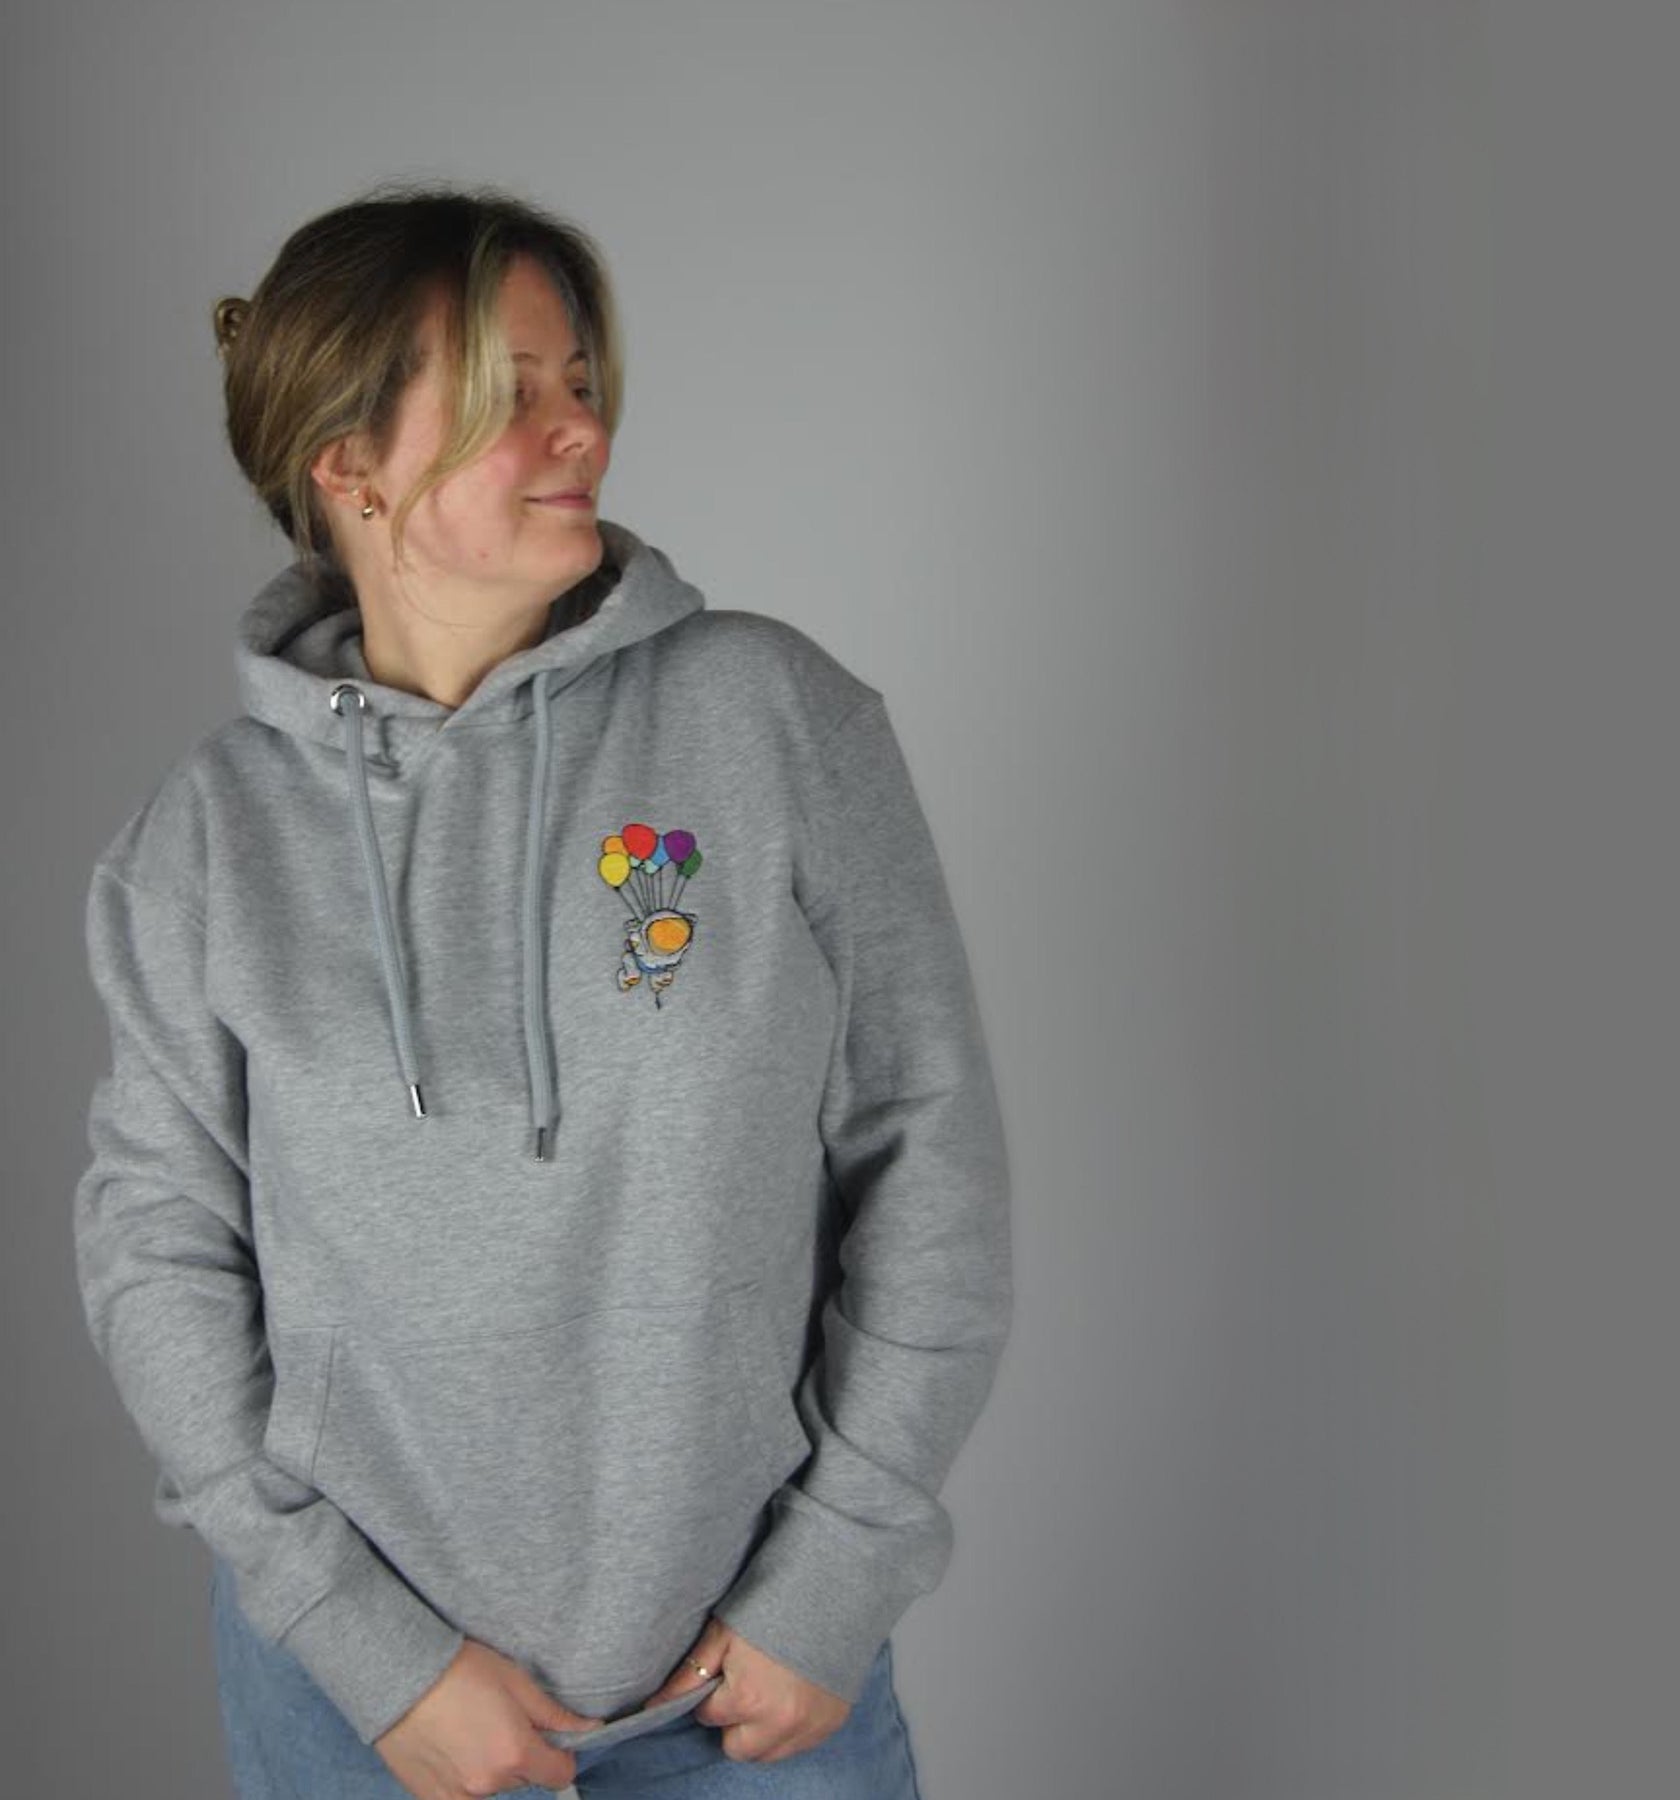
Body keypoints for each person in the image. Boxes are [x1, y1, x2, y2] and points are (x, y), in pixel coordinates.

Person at [71, 183, 1013, 1800]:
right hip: (363, 1712)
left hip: (750, 1693)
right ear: (348, 466)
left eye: (579, 380)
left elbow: (931, 1157)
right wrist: (364, 1649)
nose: (581, 427)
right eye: (512, 394)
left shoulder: (772, 722)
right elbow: (156, 1255)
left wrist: (841, 1568)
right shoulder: (208, 844)